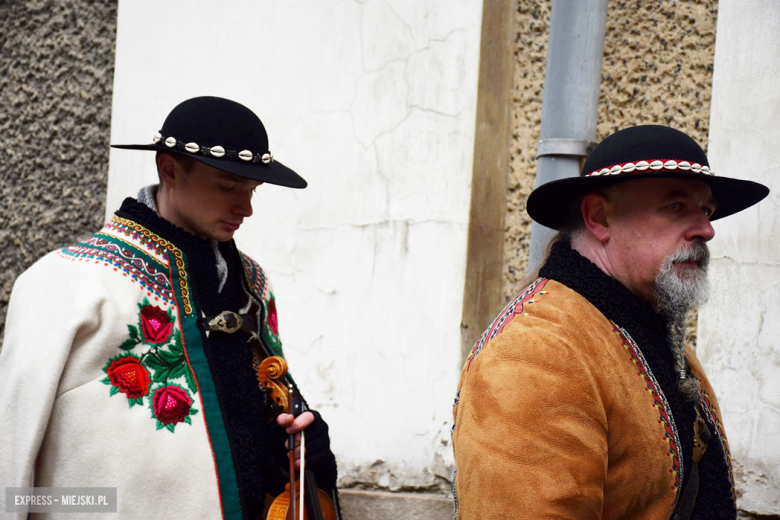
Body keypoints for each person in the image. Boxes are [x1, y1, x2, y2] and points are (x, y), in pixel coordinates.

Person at [0, 96, 339, 519]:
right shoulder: (67, 283)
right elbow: (8, 467)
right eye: (227, 186)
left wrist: (302, 445)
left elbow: (260, 424)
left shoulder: (253, 283)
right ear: (169, 169)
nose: (246, 208)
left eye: (252, 191)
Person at [451, 125, 769, 519]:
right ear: (600, 218)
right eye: (676, 206)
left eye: (705, 210)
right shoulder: (535, 352)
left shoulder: (655, 338)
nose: (707, 229)